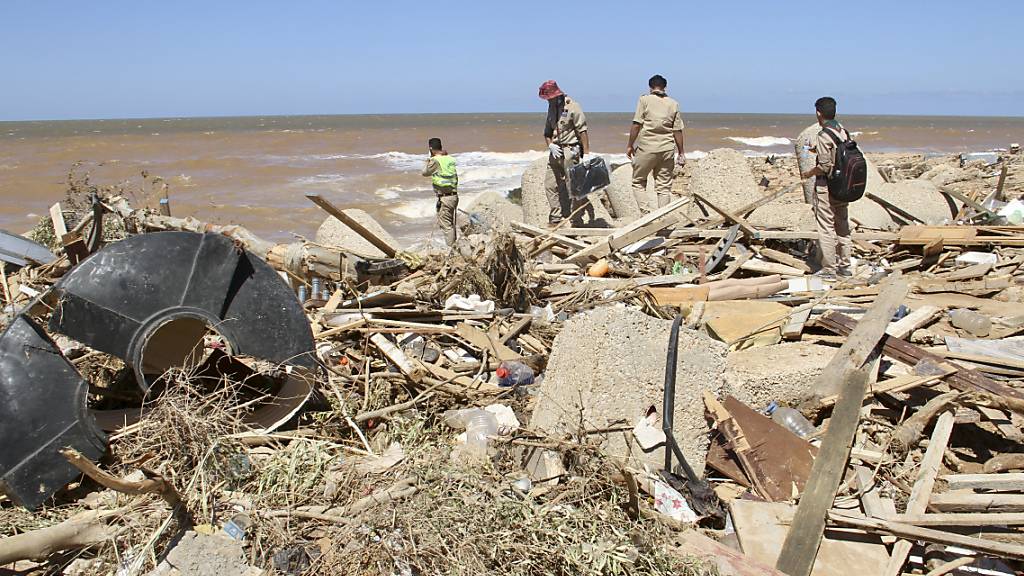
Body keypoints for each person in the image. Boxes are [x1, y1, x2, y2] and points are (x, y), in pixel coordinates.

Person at [800, 96, 852, 278]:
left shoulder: (823, 135)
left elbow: (824, 167)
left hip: (827, 187)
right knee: (843, 226)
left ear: (818, 113)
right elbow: (836, 154)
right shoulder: (843, 131)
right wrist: (815, 150)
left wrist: (808, 174)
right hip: (843, 186)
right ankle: (845, 266)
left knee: (826, 227)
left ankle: (829, 269)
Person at [627, 75, 686, 213]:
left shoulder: (644, 100)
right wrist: (681, 152)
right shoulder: (673, 103)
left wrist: (630, 144)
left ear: (650, 87)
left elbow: (637, 124)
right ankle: (663, 218)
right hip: (667, 148)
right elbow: (677, 130)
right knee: (664, 187)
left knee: (638, 182)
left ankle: (647, 214)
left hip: (647, 147)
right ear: (665, 87)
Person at [538, 80, 590, 226]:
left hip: (570, 150)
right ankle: (555, 217)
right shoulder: (551, 108)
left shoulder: (573, 106)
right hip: (556, 152)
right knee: (550, 185)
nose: (548, 100)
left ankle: (576, 219)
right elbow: (547, 132)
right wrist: (550, 146)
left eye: (549, 97)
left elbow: (583, 131)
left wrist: (586, 153)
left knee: (573, 186)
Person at [421, 137, 459, 246]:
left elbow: (424, 172)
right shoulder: (449, 159)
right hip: (453, 196)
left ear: (431, 149)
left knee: (447, 226)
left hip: (445, 198)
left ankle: (452, 251)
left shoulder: (435, 161)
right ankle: (455, 247)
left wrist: (428, 159)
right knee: (451, 225)